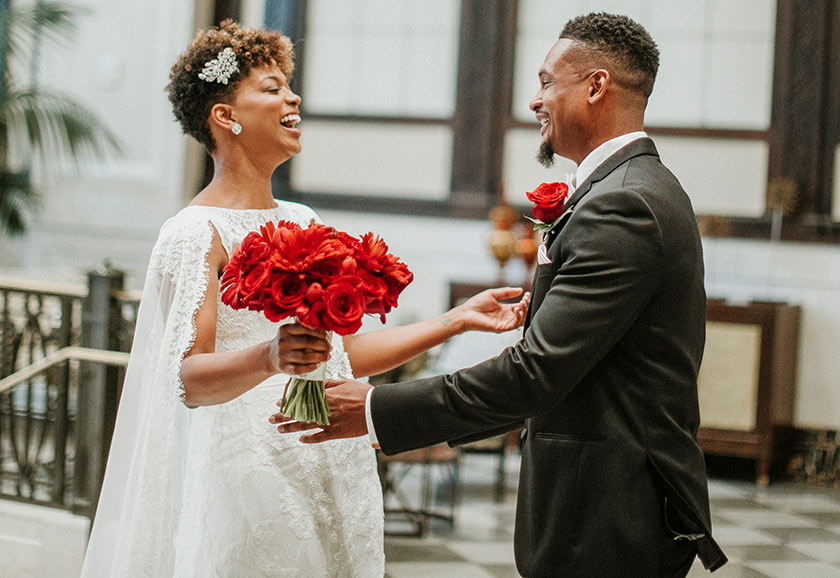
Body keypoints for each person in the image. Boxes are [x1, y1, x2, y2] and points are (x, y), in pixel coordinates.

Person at [275, 12, 729, 578]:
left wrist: (371, 410)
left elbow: (535, 374)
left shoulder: (624, 204)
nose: (536, 101)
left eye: (545, 82)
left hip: (609, 512)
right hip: (605, 500)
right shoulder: (627, 189)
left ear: (595, 86)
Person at [80, 20, 530, 578]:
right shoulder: (195, 232)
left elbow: (340, 357)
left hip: (327, 453)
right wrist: (269, 357)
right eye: (271, 88)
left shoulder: (301, 220)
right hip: (248, 469)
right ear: (226, 117)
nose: (292, 97)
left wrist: (456, 321)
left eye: (288, 86)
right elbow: (186, 379)